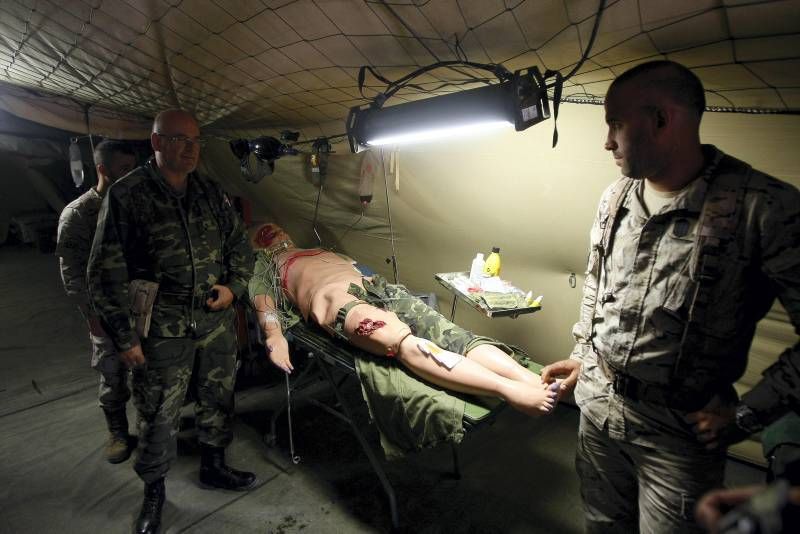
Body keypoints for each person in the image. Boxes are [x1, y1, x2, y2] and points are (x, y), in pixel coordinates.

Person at [539, 60, 800, 533]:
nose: (607, 141)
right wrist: (583, 354)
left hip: (679, 433)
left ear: (662, 120)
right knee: (602, 524)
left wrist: (746, 414)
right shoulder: (616, 197)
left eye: (616, 123)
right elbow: (598, 284)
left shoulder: (763, 208)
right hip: (599, 410)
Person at [87, 110, 255, 534]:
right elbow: (105, 271)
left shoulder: (209, 191)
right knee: (158, 410)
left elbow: (238, 243)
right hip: (161, 324)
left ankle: (214, 465)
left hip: (213, 317)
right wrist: (124, 337)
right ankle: (155, 492)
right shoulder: (129, 194)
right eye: (180, 139)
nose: (191, 148)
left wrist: (234, 286)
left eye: (196, 141)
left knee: (218, 396)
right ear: (157, 142)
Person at [248, 223, 558, 417]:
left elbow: (359, 267)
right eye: (264, 234)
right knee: (403, 341)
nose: (273, 235)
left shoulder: (315, 249)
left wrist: (385, 291)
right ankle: (507, 389)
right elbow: (264, 302)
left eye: (275, 229)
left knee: (451, 334)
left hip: (374, 287)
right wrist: (273, 333)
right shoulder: (268, 266)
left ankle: (528, 377)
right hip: (335, 303)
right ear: (259, 247)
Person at [56, 140, 137, 463]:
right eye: (124, 170)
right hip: (105, 310)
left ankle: (150, 423)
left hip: (140, 304)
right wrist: (91, 315)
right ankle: (117, 431)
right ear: (102, 169)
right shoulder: (78, 214)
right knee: (112, 370)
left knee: (147, 370)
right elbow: (71, 272)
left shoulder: (135, 205)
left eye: (133, 169)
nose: (130, 176)